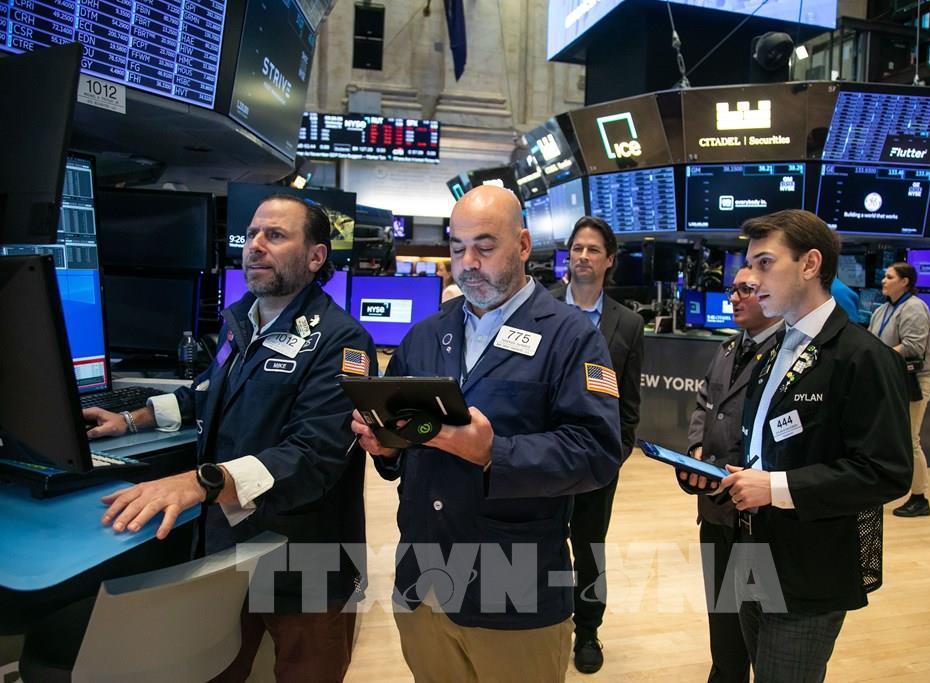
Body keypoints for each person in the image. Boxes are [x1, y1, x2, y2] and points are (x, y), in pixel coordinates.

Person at [85, 195, 376, 681]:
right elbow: (206, 392)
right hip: (228, 549)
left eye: (275, 235)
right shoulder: (241, 321)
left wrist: (201, 482)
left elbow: (313, 457)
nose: (255, 245)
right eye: (252, 234)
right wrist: (132, 419)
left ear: (316, 257)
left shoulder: (341, 342)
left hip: (304, 559)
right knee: (216, 668)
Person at [351, 185, 622, 683]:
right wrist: (385, 446)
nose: (468, 263)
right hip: (423, 584)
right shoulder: (424, 335)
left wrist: (495, 452)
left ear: (523, 245)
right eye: (457, 249)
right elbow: (402, 450)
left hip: (513, 589)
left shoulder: (571, 336)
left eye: (485, 247)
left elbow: (597, 451)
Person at [722, 209, 912, 682]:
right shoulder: (774, 349)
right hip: (752, 552)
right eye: (750, 264)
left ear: (810, 264)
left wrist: (775, 487)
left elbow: (886, 472)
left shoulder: (863, 357)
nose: (751, 278)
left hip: (809, 570)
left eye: (766, 263)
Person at [549, 215, 644, 674]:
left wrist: (615, 454)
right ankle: (542, 620)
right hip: (541, 455)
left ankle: (587, 629)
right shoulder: (538, 305)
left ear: (609, 260)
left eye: (592, 250)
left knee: (589, 549)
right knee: (540, 540)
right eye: (577, 248)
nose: (582, 256)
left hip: (594, 460)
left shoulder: (628, 324)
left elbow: (629, 401)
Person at [680, 265, 783, 683]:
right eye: (732, 289)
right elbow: (703, 404)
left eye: (746, 289)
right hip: (715, 511)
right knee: (722, 618)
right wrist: (695, 449)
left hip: (758, 517)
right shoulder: (726, 349)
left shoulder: (789, 357)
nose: (734, 298)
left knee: (758, 622)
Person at [868, 262, 930, 518]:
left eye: (889, 277)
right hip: (888, 379)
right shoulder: (883, 309)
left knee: (910, 439)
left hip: (913, 381)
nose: (883, 281)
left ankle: (920, 497)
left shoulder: (915, 307)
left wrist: (878, 357)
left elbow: (912, 347)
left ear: (905, 282)